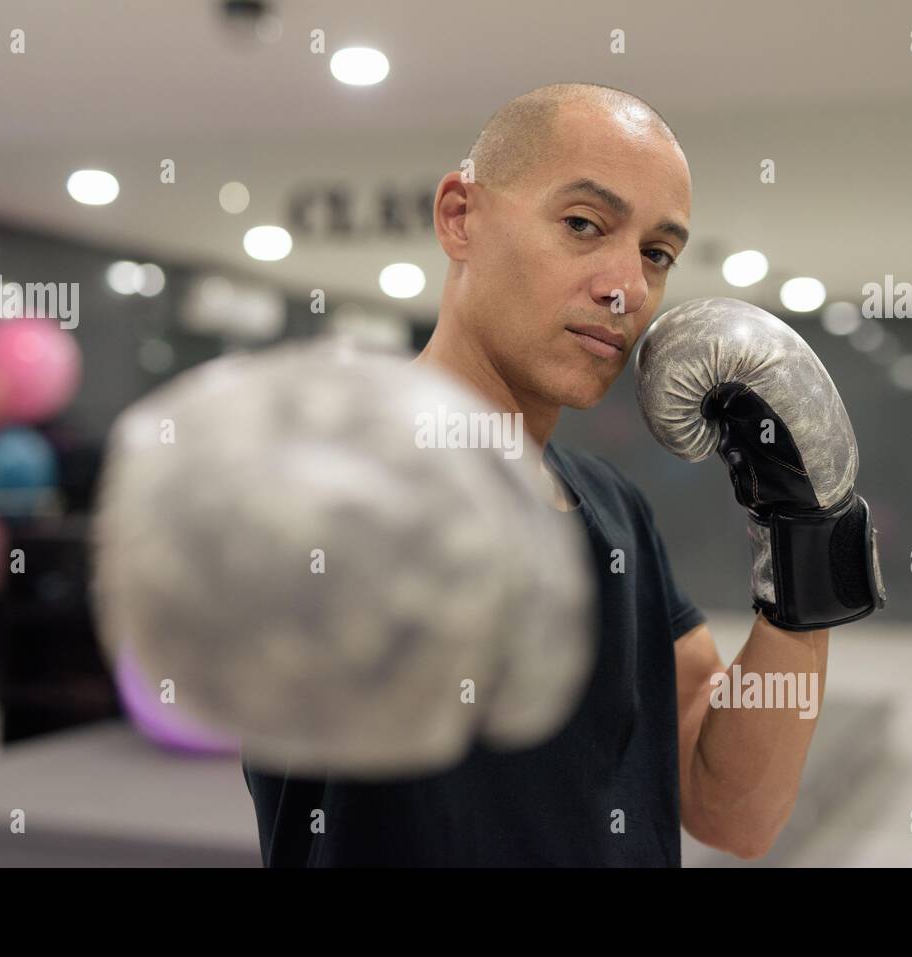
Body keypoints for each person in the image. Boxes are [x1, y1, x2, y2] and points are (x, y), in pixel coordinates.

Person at [245, 82, 831, 866]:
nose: (626, 287)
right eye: (583, 225)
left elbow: (733, 811)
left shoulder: (616, 510)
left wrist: (804, 550)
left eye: (657, 255)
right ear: (460, 216)